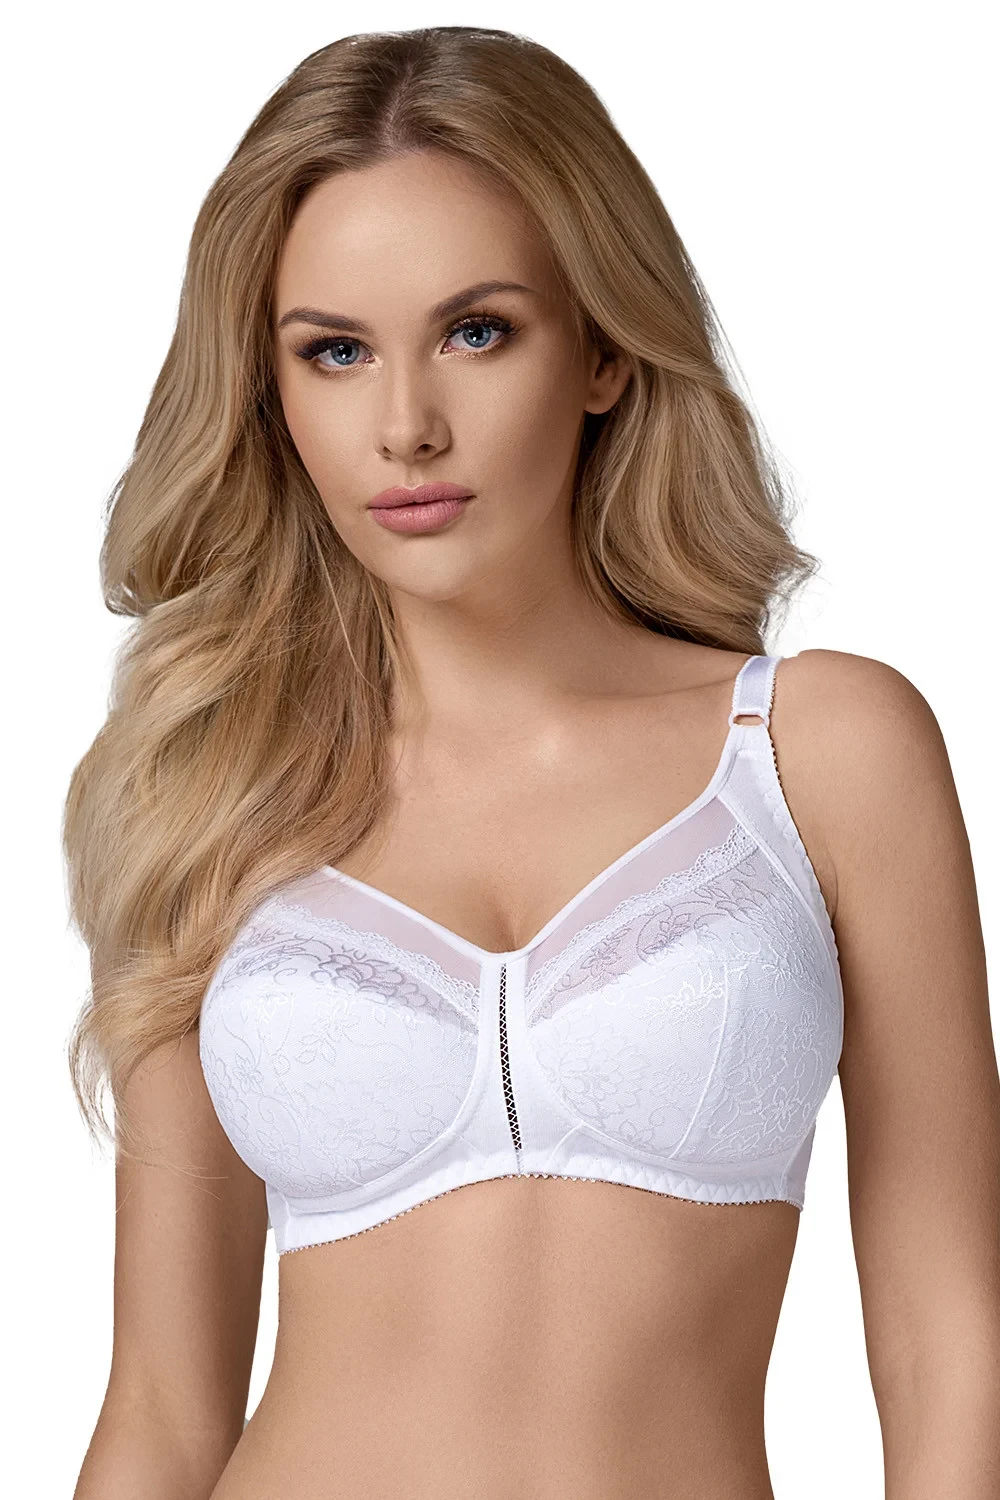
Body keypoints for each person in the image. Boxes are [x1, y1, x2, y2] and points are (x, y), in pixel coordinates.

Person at [68, 25, 1000, 1500]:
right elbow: (165, 1411)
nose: (405, 427)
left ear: (606, 351)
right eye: (335, 352)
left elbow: (954, 1342)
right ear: (270, 393)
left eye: (478, 332)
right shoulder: (210, 795)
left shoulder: (821, 751)